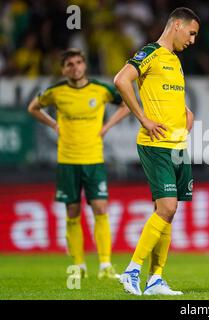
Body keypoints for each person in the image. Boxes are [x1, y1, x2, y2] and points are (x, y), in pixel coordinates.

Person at [113, 7, 199, 296]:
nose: (193, 40)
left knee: (167, 213)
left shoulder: (175, 60)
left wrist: (187, 114)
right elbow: (121, 80)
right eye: (191, 33)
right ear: (176, 25)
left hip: (177, 145)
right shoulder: (150, 52)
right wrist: (143, 119)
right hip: (156, 146)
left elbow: (171, 98)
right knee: (167, 207)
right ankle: (132, 270)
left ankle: (155, 280)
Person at [27, 48, 130, 280]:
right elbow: (33, 108)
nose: (75, 67)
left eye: (78, 62)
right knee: (72, 212)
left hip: (94, 159)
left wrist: (106, 127)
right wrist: (53, 124)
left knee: (100, 209)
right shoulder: (56, 92)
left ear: (84, 65)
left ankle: (105, 265)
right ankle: (79, 264)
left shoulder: (101, 89)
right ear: (63, 69)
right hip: (68, 160)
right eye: (69, 64)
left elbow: (126, 105)